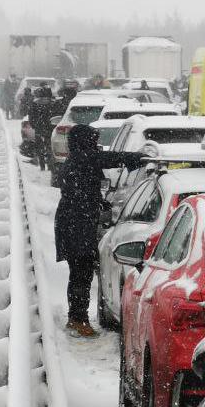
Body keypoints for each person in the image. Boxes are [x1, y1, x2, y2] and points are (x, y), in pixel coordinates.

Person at [54, 124, 144, 337]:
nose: (96, 146)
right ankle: (78, 319)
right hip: (76, 226)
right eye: (93, 141)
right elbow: (104, 159)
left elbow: (84, 189)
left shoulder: (78, 159)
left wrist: (98, 203)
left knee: (80, 273)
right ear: (85, 142)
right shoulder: (81, 159)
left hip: (76, 223)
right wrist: (132, 157)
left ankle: (76, 317)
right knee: (81, 273)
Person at [27, 86, 63, 170]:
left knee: (40, 147)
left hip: (39, 128)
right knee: (50, 146)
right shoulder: (54, 103)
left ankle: (42, 165)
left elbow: (31, 117)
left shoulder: (35, 104)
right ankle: (50, 165)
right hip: (50, 128)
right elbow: (57, 116)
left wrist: (34, 125)